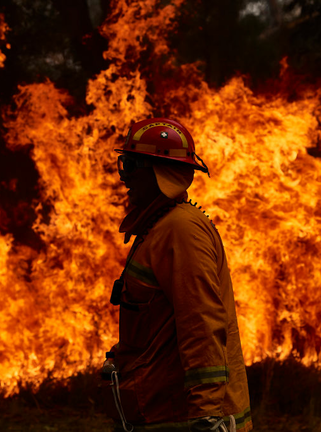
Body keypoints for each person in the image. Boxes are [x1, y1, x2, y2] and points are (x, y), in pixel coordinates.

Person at [101, 118, 252, 432]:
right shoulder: (158, 226)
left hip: (181, 419)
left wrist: (207, 417)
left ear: (155, 171)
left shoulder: (180, 231)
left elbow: (202, 325)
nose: (124, 176)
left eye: (130, 165)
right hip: (158, 411)